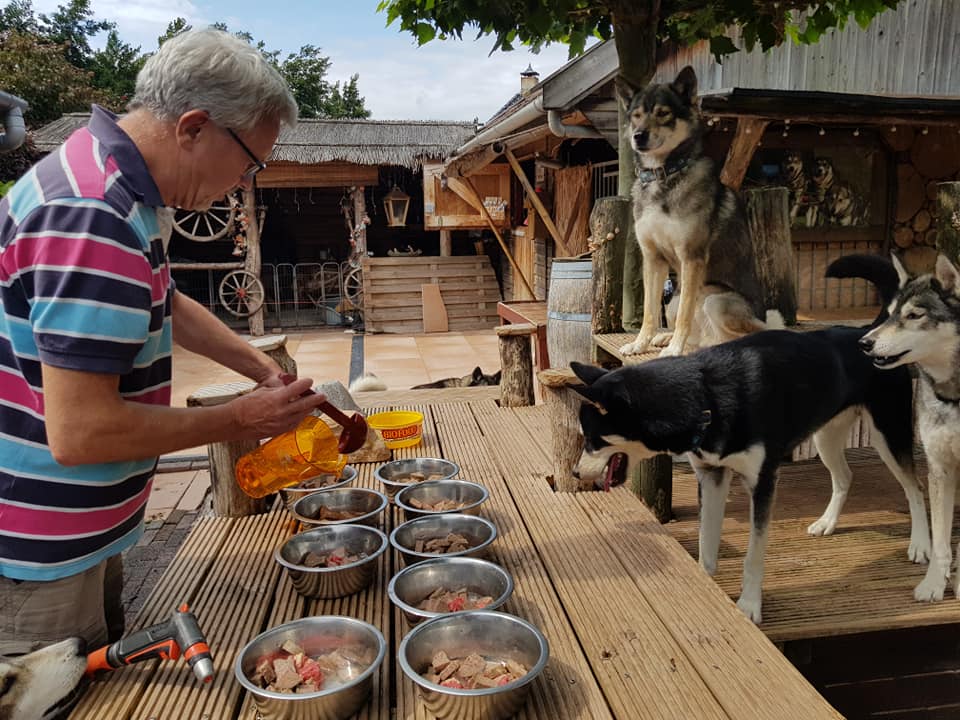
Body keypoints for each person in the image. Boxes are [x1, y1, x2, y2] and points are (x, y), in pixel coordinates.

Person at [0, 28, 327, 657]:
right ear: (195, 127)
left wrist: (261, 370)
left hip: (75, 526)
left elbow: (165, 298)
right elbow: (82, 433)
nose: (241, 183)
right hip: (36, 539)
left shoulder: (113, 179)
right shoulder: (92, 215)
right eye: (248, 162)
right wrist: (238, 418)